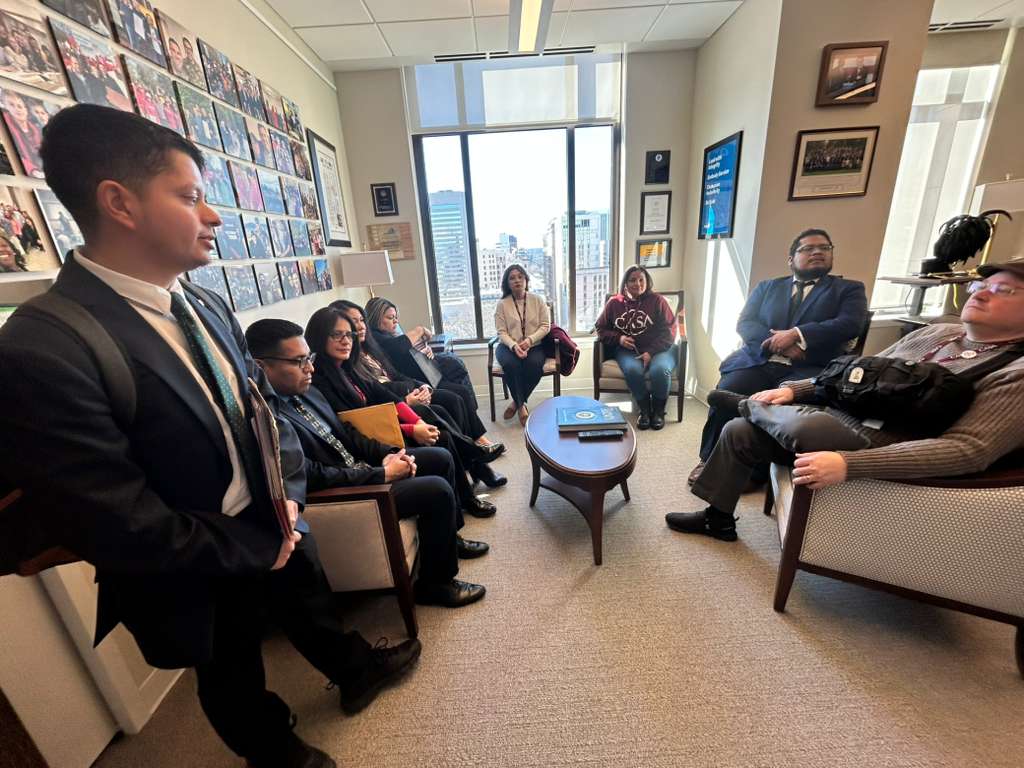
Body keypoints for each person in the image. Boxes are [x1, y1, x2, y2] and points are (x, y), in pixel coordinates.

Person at [0, 104, 420, 768]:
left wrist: (288, 500)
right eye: (190, 196)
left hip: (272, 515)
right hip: (193, 556)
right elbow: (113, 517)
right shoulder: (46, 345)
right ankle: (275, 752)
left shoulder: (203, 303)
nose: (214, 215)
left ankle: (354, 670)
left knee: (309, 606)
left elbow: (265, 410)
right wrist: (251, 544)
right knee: (229, 666)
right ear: (120, 202)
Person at [666, 259, 1024, 542]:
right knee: (739, 431)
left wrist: (851, 464)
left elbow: (969, 450)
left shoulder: (1015, 371)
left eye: (1004, 290)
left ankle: (749, 405)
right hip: (842, 417)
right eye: (979, 286)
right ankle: (718, 519)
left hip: (880, 445)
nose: (980, 294)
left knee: (803, 426)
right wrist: (794, 391)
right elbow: (859, 373)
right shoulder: (937, 333)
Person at [247, 319, 489, 609]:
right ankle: (436, 585)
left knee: (439, 457)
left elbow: (348, 433)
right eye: (299, 361)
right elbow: (311, 475)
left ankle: (449, 539)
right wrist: (382, 473)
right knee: (436, 490)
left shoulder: (308, 392)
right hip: (353, 488)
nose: (310, 368)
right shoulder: (267, 419)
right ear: (261, 366)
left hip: (362, 466)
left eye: (309, 358)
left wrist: (389, 452)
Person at [691, 229, 868, 483]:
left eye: (824, 248)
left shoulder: (848, 289)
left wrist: (797, 334)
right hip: (758, 361)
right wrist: (780, 344)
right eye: (808, 248)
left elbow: (850, 324)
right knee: (727, 392)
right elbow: (745, 323)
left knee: (784, 409)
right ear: (791, 259)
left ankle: (758, 469)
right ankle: (708, 460)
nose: (817, 252)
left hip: (809, 367)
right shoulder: (767, 287)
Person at [306, 307, 506, 503]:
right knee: (443, 435)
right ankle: (470, 481)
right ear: (320, 337)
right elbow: (356, 427)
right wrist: (411, 428)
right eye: (337, 335)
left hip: (384, 422)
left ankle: (472, 470)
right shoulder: (320, 382)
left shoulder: (348, 367)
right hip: (374, 439)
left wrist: (417, 421)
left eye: (349, 334)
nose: (347, 340)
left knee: (441, 411)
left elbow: (384, 392)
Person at [332, 298, 503, 460]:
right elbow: (377, 398)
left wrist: (423, 386)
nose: (361, 326)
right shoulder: (352, 362)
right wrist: (407, 400)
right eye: (352, 324)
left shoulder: (370, 347)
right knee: (449, 403)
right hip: (395, 405)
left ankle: (475, 448)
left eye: (362, 320)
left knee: (454, 396)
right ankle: (474, 451)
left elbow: (394, 375)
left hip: (408, 390)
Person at [365, 296, 496, 446]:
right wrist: (420, 330)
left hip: (421, 377)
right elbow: (398, 347)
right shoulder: (376, 338)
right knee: (457, 395)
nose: (395, 321)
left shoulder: (389, 334)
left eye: (396, 317)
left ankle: (475, 436)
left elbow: (406, 350)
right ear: (376, 318)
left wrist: (424, 349)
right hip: (413, 382)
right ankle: (474, 439)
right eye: (390, 318)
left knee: (460, 385)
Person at [594, 265, 678, 430]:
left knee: (659, 370)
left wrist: (650, 352)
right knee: (633, 370)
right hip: (627, 350)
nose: (637, 284)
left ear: (647, 282)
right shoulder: (614, 303)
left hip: (661, 349)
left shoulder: (658, 301)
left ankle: (659, 411)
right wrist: (619, 338)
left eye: (641, 280)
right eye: (632, 280)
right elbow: (600, 328)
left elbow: (670, 331)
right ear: (625, 283)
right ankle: (644, 410)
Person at [492, 264, 551, 426]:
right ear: (507, 283)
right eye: (512, 278)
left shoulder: (537, 300)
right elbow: (501, 332)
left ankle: (517, 403)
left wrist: (529, 340)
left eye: (520, 276)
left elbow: (545, 326)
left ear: (526, 279)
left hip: (534, 345)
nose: (517, 280)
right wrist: (514, 346)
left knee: (534, 365)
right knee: (511, 364)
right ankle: (522, 407)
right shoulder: (502, 304)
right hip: (508, 346)